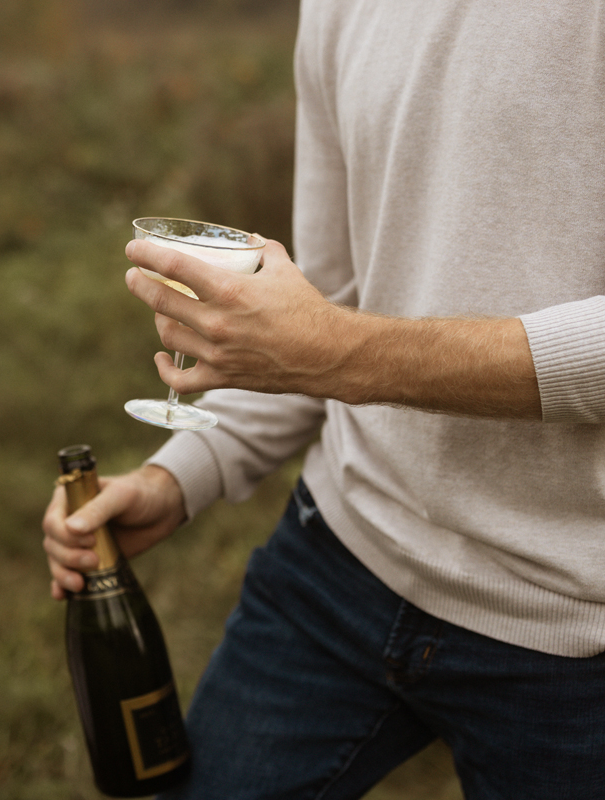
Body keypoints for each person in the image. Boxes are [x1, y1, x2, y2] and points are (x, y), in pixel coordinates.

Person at [44, 2, 605, 798]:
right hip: (338, 556)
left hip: (575, 628)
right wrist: (179, 475)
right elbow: (329, 308)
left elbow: (332, 344)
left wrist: (337, 351)